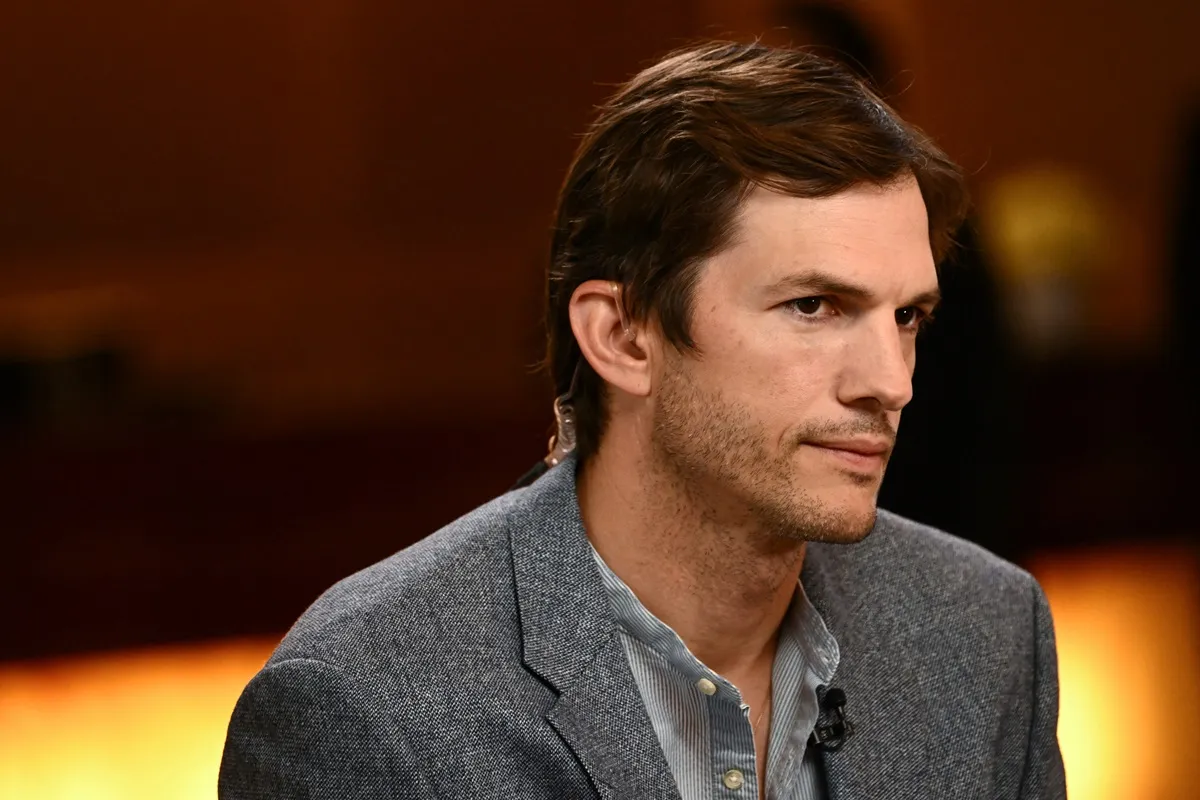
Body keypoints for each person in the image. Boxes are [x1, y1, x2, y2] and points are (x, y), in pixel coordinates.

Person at [219, 42, 1066, 799]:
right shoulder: (366, 709)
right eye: (813, 305)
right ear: (623, 337)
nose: (891, 383)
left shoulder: (986, 631)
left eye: (907, 317)